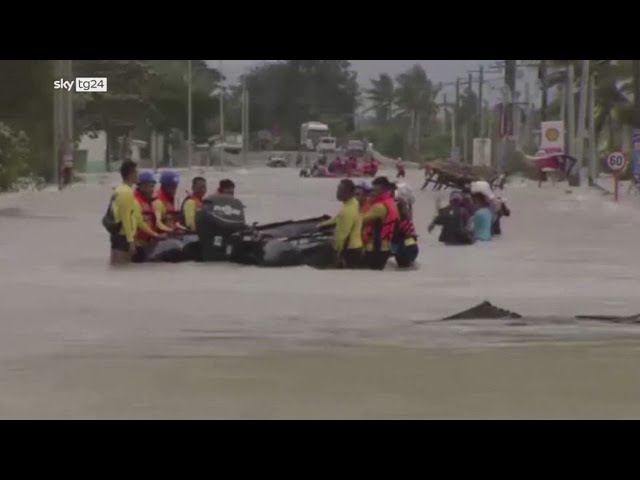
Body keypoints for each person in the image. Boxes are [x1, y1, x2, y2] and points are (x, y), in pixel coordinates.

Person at [317, 179, 364, 268]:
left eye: (341, 191)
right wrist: (323, 224)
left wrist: (335, 252)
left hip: (349, 251)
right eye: (338, 189)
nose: (337, 193)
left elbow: (341, 237)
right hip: (357, 246)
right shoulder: (353, 202)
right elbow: (338, 218)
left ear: (350, 193)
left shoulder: (346, 212)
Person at [361, 176, 399, 270]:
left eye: (375, 191)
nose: (372, 193)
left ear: (383, 190)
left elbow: (359, 221)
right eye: (372, 190)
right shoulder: (391, 202)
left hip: (374, 248)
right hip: (386, 247)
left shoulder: (379, 207)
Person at [108, 160, 138, 264]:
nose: (137, 175)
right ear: (131, 173)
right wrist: (131, 241)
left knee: (118, 269)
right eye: (136, 172)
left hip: (117, 235)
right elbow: (126, 218)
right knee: (123, 267)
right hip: (123, 237)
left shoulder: (118, 189)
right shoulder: (126, 192)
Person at [132, 171, 165, 262]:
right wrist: (155, 235)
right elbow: (140, 223)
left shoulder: (150, 202)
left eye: (153, 187)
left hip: (148, 243)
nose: (152, 190)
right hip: (138, 246)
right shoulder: (136, 202)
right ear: (142, 187)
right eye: (150, 186)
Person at [392, 198, 419, 268]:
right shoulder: (408, 220)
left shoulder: (398, 223)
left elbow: (394, 237)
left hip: (404, 249)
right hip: (413, 247)